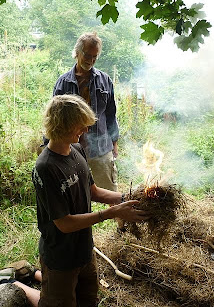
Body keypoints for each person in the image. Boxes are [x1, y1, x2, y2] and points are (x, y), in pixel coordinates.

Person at [33, 94, 151, 307]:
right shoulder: (46, 168)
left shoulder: (77, 151)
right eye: (80, 126)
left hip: (85, 250)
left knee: (88, 300)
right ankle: (14, 286)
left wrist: (131, 198)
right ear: (63, 125)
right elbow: (65, 224)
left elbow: (94, 192)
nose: (86, 130)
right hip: (61, 256)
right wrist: (113, 212)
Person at [52, 32, 119, 192]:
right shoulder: (63, 83)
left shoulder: (105, 80)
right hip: (71, 149)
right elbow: (55, 118)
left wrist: (114, 143)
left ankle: (119, 216)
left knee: (111, 193)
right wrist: (50, 145)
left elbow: (111, 114)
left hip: (100, 148)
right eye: (87, 55)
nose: (90, 60)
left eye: (95, 56)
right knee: (74, 194)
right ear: (77, 52)